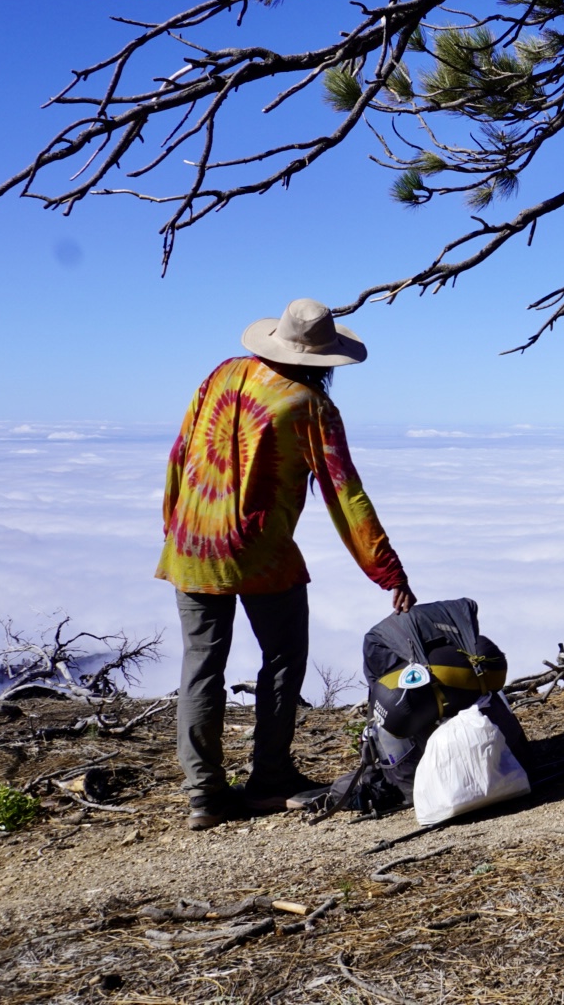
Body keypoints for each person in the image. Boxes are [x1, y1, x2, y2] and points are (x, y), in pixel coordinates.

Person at [157, 299, 416, 830]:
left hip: (191, 542)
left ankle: (204, 796)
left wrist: (174, 527)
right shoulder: (310, 406)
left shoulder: (222, 374)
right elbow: (346, 496)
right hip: (258, 551)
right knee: (282, 656)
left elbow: (181, 452)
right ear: (324, 359)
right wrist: (388, 570)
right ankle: (270, 778)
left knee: (200, 665)